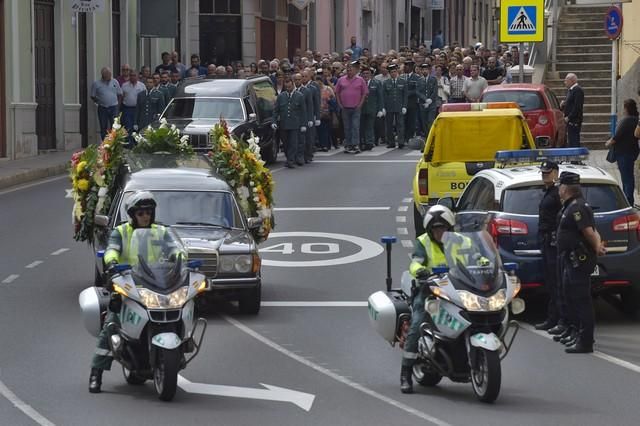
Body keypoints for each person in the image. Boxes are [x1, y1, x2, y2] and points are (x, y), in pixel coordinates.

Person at [89, 191, 176, 393]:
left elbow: (175, 248)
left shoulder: (162, 231)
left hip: (156, 283)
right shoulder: (121, 232)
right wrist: (111, 262)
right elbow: (112, 250)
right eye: (141, 213)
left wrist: (181, 259)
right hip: (128, 283)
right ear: (133, 214)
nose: (145, 216)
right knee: (112, 323)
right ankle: (96, 373)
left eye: (148, 212)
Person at [401, 205, 456, 394]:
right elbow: (415, 262)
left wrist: (485, 264)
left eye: (443, 228)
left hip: (456, 290)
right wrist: (420, 270)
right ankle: (406, 372)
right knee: (417, 323)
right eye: (436, 229)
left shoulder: (460, 241)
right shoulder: (423, 242)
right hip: (429, 291)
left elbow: (475, 256)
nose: (439, 232)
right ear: (430, 230)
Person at [555, 172, 606, 354]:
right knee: (571, 297)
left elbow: (589, 232)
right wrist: (597, 244)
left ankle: (585, 341)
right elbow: (592, 230)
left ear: (565, 188)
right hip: (571, 258)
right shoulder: (574, 205)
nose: (558, 189)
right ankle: (577, 334)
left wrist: (597, 246)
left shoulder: (577, 207)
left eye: (560, 186)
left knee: (581, 300)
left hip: (579, 260)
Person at [534, 161, 564, 332]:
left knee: (557, 282)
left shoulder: (557, 194)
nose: (545, 175)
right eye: (543, 172)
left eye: (548, 172)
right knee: (551, 282)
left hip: (554, 243)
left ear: (556, 173)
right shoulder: (549, 192)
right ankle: (554, 318)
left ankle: (560, 320)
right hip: (547, 241)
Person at [605, 99, 639, 205]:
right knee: (628, 176)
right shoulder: (636, 119)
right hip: (632, 151)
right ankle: (629, 199)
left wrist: (608, 143)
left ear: (626, 108)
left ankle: (628, 200)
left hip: (623, 152)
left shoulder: (626, 120)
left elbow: (617, 137)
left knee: (626, 178)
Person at [272, 76, 307, 168]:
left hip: (295, 124)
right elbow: (276, 110)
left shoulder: (299, 96)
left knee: (293, 143)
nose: (288, 89)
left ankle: (290, 161)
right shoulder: (281, 96)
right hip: (284, 124)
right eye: (287, 87)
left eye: (290, 87)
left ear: (293, 85)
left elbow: (303, 112)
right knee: (286, 144)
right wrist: (274, 122)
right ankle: (289, 158)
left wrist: (304, 124)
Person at [335, 61, 368, 154]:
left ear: (355, 70)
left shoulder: (360, 80)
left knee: (355, 126)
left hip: (356, 107)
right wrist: (339, 103)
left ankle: (355, 144)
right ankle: (348, 144)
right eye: (348, 69)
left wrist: (360, 104)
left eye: (351, 69)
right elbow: (337, 92)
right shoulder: (341, 80)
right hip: (345, 107)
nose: (349, 71)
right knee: (347, 127)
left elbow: (364, 93)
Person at [91, 67, 123, 140]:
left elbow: (120, 94)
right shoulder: (96, 84)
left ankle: (114, 142)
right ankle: (105, 144)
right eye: (107, 75)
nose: (109, 77)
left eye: (109, 74)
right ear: (103, 75)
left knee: (115, 126)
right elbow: (92, 96)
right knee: (103, 126)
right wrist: (98, 101)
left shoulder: (115, 82)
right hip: (102, 107)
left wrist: (118, 106)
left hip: (114, 107)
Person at [359, 66, 384, 151]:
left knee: (370, 126)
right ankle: (362, 142)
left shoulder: (376, 83)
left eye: (367, 73)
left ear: (371, 74)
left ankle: (369, 142)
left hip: (372, 108)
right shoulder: (359, 83)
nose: (366, 75)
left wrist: (381, 109)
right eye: (364, 73)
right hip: (361, 108)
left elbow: (380, 96)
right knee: (361, 126)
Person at [382, 64, 407, 149]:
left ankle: (401, 142)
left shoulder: (402, 81)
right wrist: (383, 107)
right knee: (389, 125)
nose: (393, 73)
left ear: (397, 72)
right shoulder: (386, 83)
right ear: (389, 73)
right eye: (392, 72)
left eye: (395, 71)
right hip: (389, 106)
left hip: (399, 106)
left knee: (400, 124)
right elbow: (383, 96)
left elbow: (405, 95)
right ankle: (391, 142)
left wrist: (404, 106)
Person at [561, 73, 584, 148]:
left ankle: (576, 158)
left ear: (572, 81)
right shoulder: (571, 90)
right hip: (570, 120)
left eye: (566, 80)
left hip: (574, 120)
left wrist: (569, 117)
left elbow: (577, 107)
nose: (565, 82)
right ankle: (573, 158)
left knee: (574, 140)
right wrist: (564, 104)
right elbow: (570, 103)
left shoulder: (577, 90)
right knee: (571, 140)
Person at [417, 63, 438, 137]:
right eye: (423, 69)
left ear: (429, 70)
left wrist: (430, 100)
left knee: (430, 121)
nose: (424, 71)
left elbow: (435, 91)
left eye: (426, 69)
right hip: (422, 104)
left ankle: (432, 137)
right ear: (421, 71)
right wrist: (425, 99)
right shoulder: (419, 80)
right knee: (424, 122)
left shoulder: (433, 79)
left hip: (432, 104)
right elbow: (418, 92)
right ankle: (427, 139)